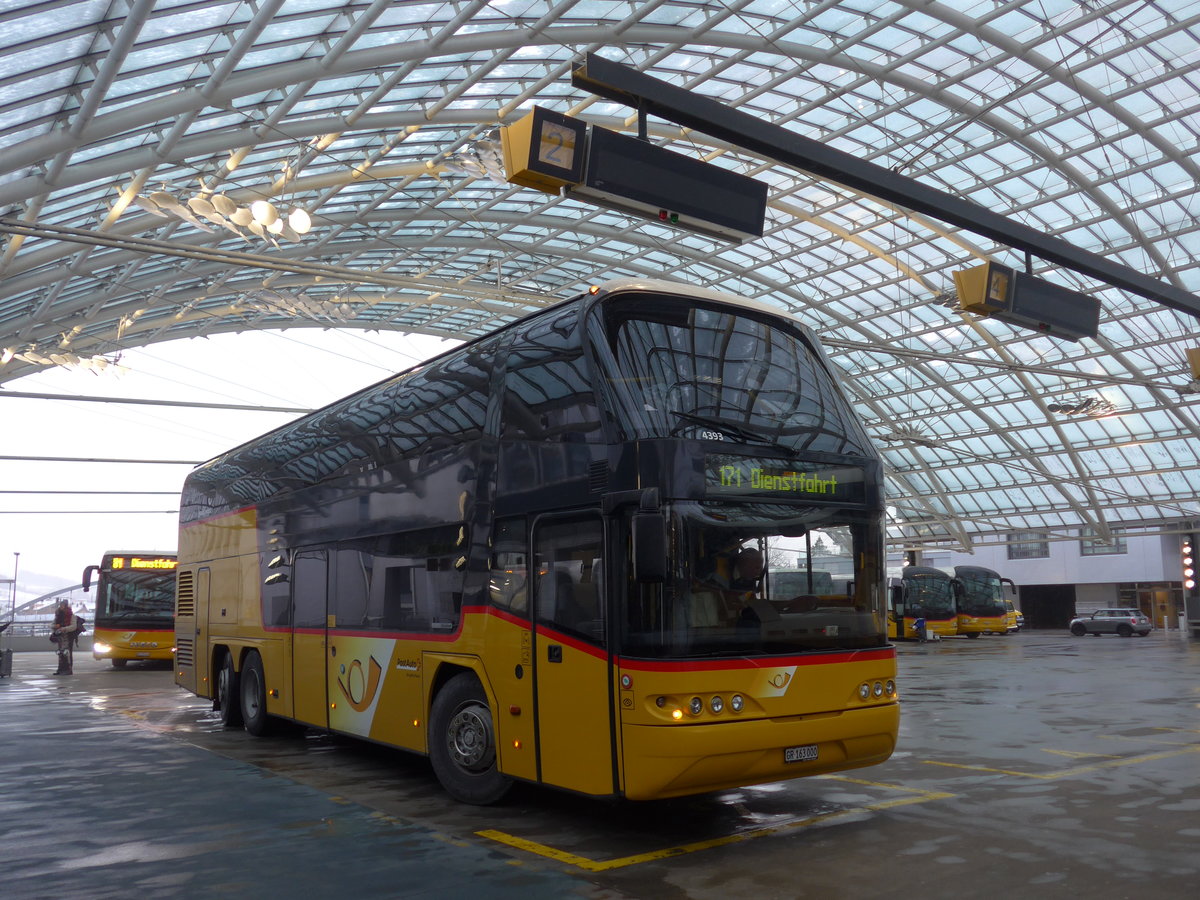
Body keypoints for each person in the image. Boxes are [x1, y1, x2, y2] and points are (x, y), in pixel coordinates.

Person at [51, 599, 79, 675]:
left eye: (63, 605)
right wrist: (56, 626)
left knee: (67, 653)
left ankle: (68, 669)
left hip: (68, 636)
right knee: (60, 653)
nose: (61, 607)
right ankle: (61, 669)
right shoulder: (58, 616)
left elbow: (74, 626)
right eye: (60, 605)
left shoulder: (71, 615)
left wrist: (64, 628)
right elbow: (52, 624)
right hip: (60, 637)